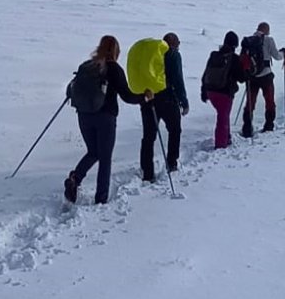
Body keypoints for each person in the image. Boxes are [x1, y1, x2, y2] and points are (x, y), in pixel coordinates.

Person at [64, 36, 150, 206]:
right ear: (116, 51)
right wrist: (145, 98)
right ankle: (101, 199)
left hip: (84, 115)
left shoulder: (88, 66)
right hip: (106, 118)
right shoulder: (114, 69)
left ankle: (75, 178)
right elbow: (127, 96)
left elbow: (72, 90)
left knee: (93, 151)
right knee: (105, 157)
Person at [140, 32, 189, 181]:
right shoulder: (173, 55)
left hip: (148, 98)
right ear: (174, 44)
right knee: (175, 131)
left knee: (148, 136)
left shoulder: (152, 55)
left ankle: (147, 172)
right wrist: (184, 101)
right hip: (168, 99)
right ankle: (171, 163)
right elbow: (177, 79)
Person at [200, 31, 245, 148]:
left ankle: (227, 137)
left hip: (210, 91)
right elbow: (241, 78)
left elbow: (206, 73)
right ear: (235, 45)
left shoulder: (214, 55)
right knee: (223, 117)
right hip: (224, 93)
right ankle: (221, 143)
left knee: (223, 115)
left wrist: (203, 91)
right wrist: (247, 73)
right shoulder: (234, 58)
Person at [240, 21, 281, 135]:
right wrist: (284, 53)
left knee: (250, 102)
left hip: (252, 76)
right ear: (266, 30)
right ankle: (269, 125)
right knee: (269, 101)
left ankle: (247, 127)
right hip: (266, 75)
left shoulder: (248, 41)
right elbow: (276, 56)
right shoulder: (268, 40)